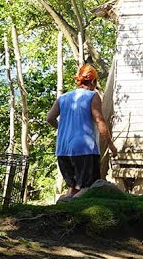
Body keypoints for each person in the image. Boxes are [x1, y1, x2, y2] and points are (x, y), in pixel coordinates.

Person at [47, 63, 115, 199]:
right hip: (84, 150)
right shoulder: (92, 96)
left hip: (63, 150)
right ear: (93, 81)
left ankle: (64, 212)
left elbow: (50, 118)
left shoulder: (63, 98)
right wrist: (111, 145)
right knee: (88, 188)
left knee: (73, 189)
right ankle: (71, 209)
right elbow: (99, 120)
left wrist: (65, 129)